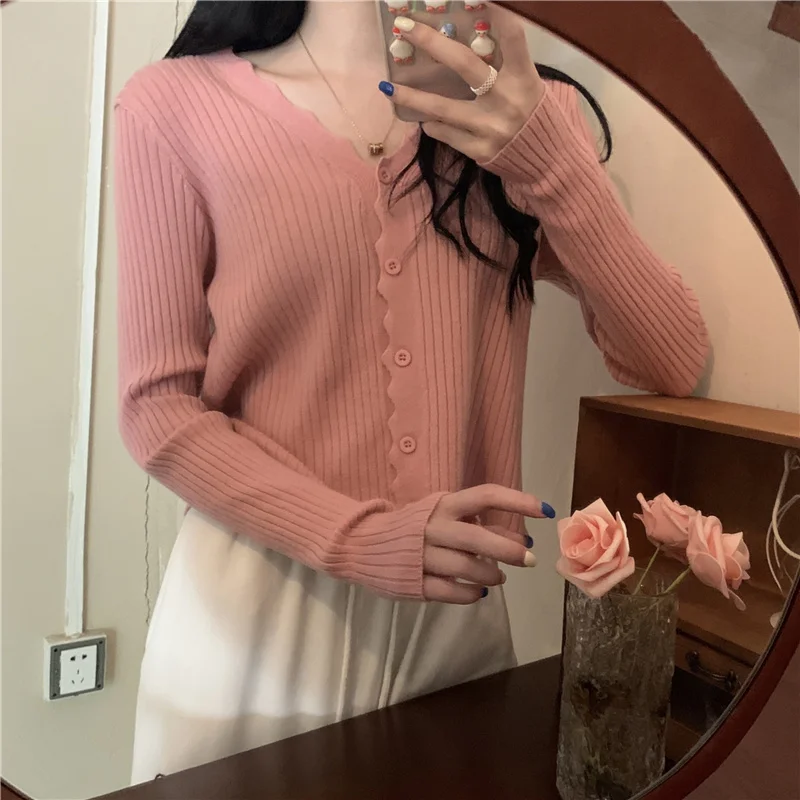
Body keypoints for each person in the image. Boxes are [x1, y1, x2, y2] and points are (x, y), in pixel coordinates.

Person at [114, 0, 709, 782]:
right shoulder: (173, 104)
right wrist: (358, 537)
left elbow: (671, 357)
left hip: (453, 629)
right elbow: (157, 408)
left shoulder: (525, 114)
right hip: (252, 621)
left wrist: (543, 150)